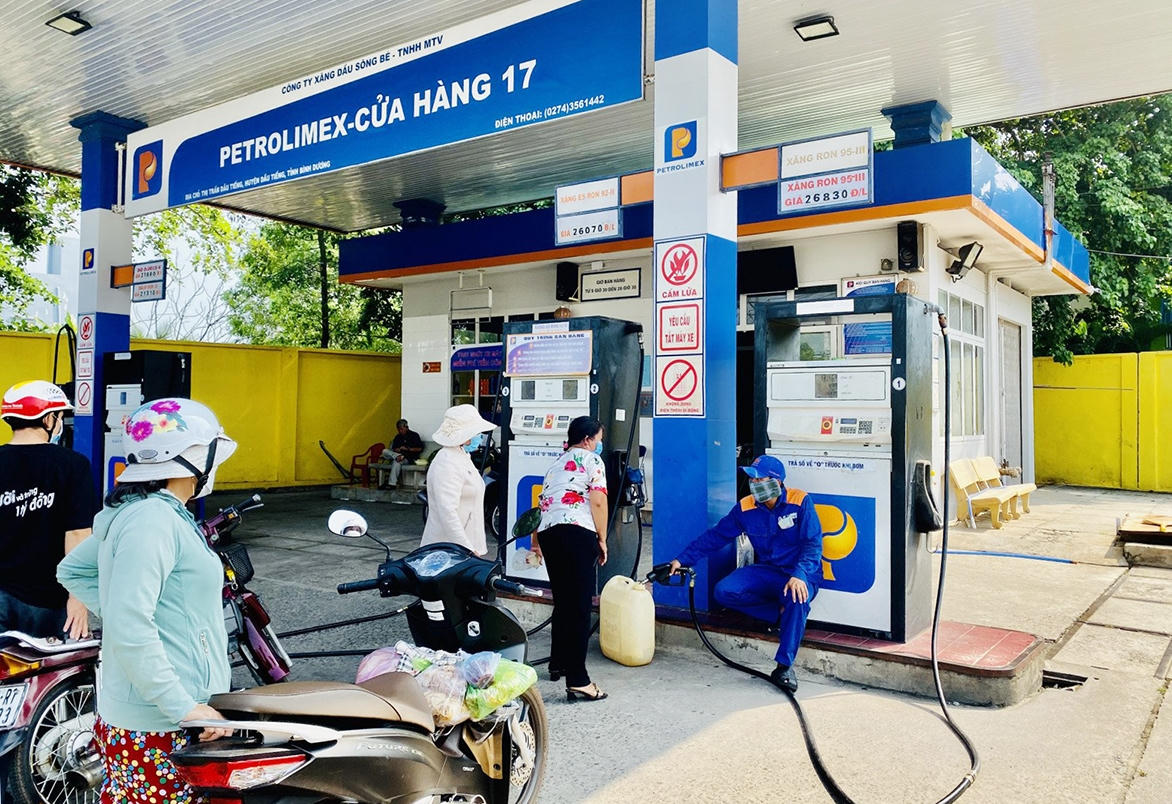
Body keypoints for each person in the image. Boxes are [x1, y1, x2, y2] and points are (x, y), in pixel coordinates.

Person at [57, 397, 237, 803]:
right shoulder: (152, 520)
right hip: (160, 722)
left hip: (150, 713)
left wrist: (139, 616)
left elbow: (74, 571)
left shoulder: (150, 513)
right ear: (192, 456)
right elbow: (128, 622)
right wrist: (183, 707)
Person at [669, 455, 822, 693]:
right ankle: (778, 614)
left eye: (760, 479)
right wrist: (683, 559)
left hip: (799, 573)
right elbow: (716, 536)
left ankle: (784, 666)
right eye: (752, 479)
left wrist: (800, 574)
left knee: (797, 597)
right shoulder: (746, 507)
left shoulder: (800, 501)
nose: (754, 484)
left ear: (777, 482)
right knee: (724, 591)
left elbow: (813, 544)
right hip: (767, 571)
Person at [0, 380, 96, 640]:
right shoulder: (73, 465)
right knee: (45, 666)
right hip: (49, 600)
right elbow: (78, 535)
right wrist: (78, 597)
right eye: (60, 416)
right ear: (48, 418)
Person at [531, 415, 609, 702]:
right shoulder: (592, 460)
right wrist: (602, 538)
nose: (599, 444)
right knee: (579, 606)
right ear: (587, 440)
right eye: (598, 439)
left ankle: (558, 662)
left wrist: (536, 542)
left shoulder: (556, 464)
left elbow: (542, 504)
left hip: (550, 533)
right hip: (577, 532)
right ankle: (578, 680)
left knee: (563, 600)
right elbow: (598, 501)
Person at [420, 404, 495, 555]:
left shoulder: (462, 456)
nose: (480, 437)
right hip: (449, 550)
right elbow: (447, 511)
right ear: (466, 436)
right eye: (477, 433)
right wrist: (466, 548)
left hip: (465, 547)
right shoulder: (447, 461)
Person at [378, 418, 425, 488]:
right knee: (384, 451)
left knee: (397, 462)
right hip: (397, 456)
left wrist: (408, 449)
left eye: (402, 429)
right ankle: (398, 456)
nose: (400, 431)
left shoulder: (414, 435)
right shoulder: (398, 437)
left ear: (406, 427)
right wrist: (397, 450)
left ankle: (392, 484)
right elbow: (393, 448)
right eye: (399, 429)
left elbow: (419, 448)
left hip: (408, 458)